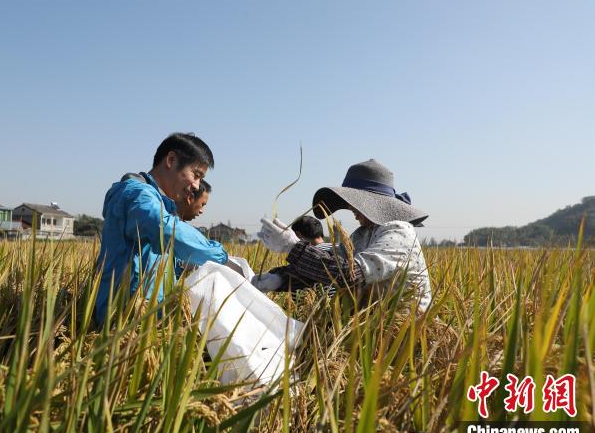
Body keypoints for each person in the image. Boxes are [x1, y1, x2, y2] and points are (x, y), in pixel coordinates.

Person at [253, 159, 432, 311]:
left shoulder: (399, 231)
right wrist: (279, 279)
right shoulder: (362, 235)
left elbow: (349, 274)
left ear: (372, 203)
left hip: (405, 334)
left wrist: (292, 246)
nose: (351, 210)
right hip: (372, 328)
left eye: (354, 203)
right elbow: (328, 267)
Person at [94, 133, 228, 325]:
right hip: (123, 323)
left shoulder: (162, 204)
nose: (196, 186)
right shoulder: (136, 193)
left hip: (148, 319)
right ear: (171, 160)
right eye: (196, 175)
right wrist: (220, 255)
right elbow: (164, 229)